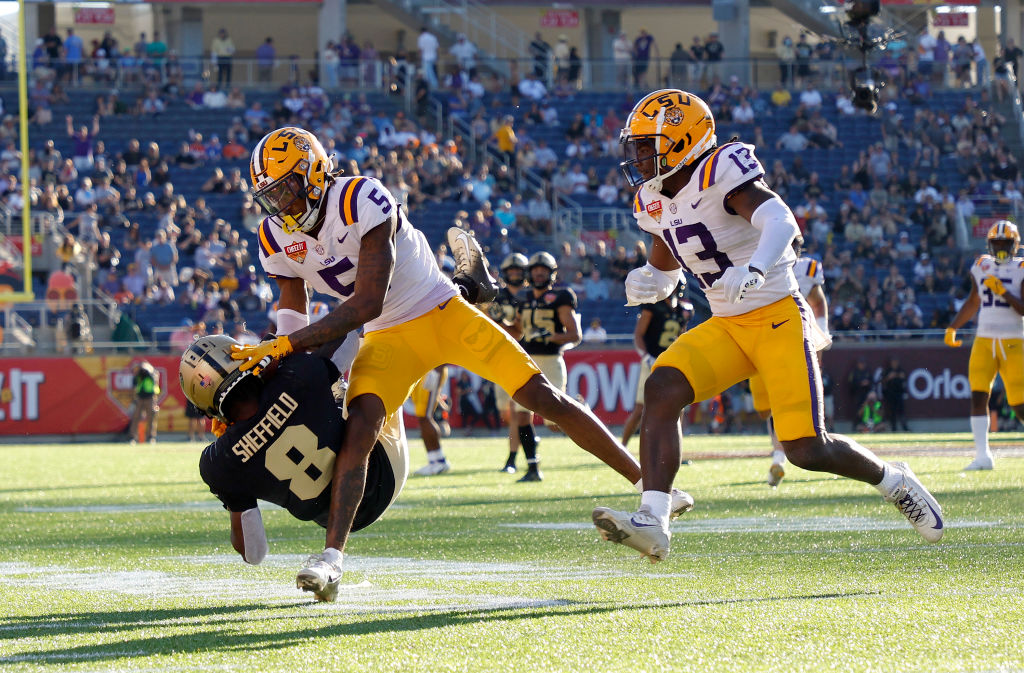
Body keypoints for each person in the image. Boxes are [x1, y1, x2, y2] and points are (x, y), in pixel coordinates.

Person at [231, 126, 694, 598]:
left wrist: (286, 349)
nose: (281, 205)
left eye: (287, 188)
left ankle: (651, 487)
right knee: (361, 424)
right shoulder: (274, 234)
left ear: (313, 175)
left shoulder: (359, 197)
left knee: (541, 397)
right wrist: (283, 357)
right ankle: (332, 560)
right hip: (387, 336)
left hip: (437, 310)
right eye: (271, 196)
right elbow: (293, 304)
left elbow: (367, 300)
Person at [592, 89, 944, 564]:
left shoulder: (720, 169)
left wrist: (756, 267)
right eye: (634, 146)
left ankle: (892, 479)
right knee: (662, 387)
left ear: (683, 140)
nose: (637, 155)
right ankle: (654, 519)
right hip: (728, 324)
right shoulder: (652, 199)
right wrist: (652, 281)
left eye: (646, 144)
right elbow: (670, 265)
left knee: (805, 448)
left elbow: (780, 219)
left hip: (777, 313)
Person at [180, 335, 408, 602]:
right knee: (373, 347)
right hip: (384, 470)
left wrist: (232, 485)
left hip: (334, 518)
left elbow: (254, 553)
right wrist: (286, 350)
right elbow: (348, 334)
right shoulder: (297, 375)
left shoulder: (218, 462)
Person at [750, 236, 831, 487]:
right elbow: (818, 301)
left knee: (776, 405)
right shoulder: (760, 264)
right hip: (775, 338)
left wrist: (822, 337)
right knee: (774, 405)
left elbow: (817, 302)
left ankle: (780, 456)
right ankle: (787, 454)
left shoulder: (763, 263)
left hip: (779, 339)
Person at [945, 221, 1024, 471]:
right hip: (984, 341)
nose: (1000, 248)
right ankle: (983, 456)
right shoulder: (982, 265)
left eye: (1005, 243)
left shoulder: (1021, 268)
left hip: (1014, 342)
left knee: (1019, 404)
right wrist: (953, 326)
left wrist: (1004, 292)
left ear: (1015, 244)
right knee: (978, 395)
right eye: (996, 243)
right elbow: (973, 301)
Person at [507, 251, 580, 481]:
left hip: (550, 361)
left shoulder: (561, 297)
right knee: (521, 415)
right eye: (536, 270)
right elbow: (517, 331)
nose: (539, 274)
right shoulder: (524, 297)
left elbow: (574, 335)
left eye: (543, 270)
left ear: (551, 273)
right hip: (525, 360)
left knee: (555, 422)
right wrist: (497, 322)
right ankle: (532, 467)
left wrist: (550, 336)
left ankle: (581, 412)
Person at [621, 285, 692, 446]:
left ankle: (675, 451)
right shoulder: (652, 306)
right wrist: (646, 357)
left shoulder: (683, 310)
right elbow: (639, 334)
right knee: (640, 410)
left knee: (678, 408)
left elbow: (681, 338)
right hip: (651, 361)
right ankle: (622, 448)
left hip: (671, 362)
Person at [484, 253, 529, 473]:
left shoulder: (531, 296)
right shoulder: (497, 297)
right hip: (502, 355)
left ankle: (514, 458)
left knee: (518, 409)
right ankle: (529, 442)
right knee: (508, 413)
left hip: (528, 356)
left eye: (518, 271)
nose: (515, 275)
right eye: (511, 271)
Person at [410, 365, 452, 475]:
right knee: (422, 417)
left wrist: (436, 372)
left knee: (425, 416)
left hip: (433, 369)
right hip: (424, 370)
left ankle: (438, 461)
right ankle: (435, 460)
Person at [129, 360, 160, 444]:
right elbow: (134, 386)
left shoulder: (152, 375)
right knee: (136, 417)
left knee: (151, 418)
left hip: (150, 398)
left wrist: (150, 372)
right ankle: (133, 437)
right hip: (140, 398)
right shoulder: (138, 376)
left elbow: (155, 384)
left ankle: (150, 437)